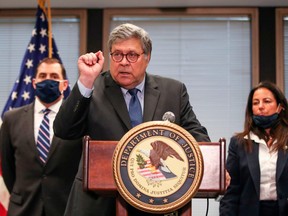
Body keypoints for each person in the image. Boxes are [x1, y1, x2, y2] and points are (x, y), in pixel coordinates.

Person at [53, 23, 210, 216]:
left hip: (155, 202)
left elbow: (198, 136)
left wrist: (213, 167)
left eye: (132, 55)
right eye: (117, 54)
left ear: (147, 57)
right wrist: (85, 81)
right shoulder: (93, 88)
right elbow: (63, 130)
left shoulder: (173, 91)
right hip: (98, 205)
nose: (124, 62)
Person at [0, 58, 82, 216]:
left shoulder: (77, 119)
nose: (48, 80)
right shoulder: (11, 119)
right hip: (24, 208)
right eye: (43, 76)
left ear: (64, 84)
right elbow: (8, 167)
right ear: (34, 82)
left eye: (54, 76)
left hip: (65, 208)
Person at [220, 81, 288, 216]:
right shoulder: (239, 143)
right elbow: (231, 191)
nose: (260, 107)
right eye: (255, 103)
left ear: (280, 107)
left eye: (267, 101)